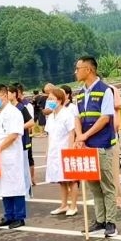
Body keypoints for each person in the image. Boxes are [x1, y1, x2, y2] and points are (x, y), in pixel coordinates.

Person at [74, 56, 118, 237]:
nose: (75, 72)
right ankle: (100, 220)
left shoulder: (105, 90)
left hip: (102, 144)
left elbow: (105, 118)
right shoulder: (80, 93)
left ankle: (111, 222)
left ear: (89, 69)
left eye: (78, 68)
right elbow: (77, 117)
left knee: (107, 185)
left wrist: (84, 135)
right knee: (94, 186)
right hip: (87, 146)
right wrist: (79, 137)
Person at [0, 84, 29, 229]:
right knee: (3, 186)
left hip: (10, 155)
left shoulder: (14, 112)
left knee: (15, 185)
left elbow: (13, 135)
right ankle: (8, 215)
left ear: (4, 96)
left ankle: (19, 216)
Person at [45, 87, 78, 216]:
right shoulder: (51, 116)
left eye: (52, 99)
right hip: (55, 151)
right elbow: (50, 136)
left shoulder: (67, 114)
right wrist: (47, 151)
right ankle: (64, 205)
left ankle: (73, 206)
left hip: (65, 150)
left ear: (59, 100)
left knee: (72, 179)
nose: (49, 101)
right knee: (61, 180)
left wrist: (70, 151)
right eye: (48, 99)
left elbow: (71, 133)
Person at [8, 84, 35, 196]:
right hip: (10, 143)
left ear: (14, 94)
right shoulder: (6, 109)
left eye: (8, 93)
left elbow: (31, 122)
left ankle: (27, 193)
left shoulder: (21, 107)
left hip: (22, 142)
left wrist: (18, 128)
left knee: (23, 168)